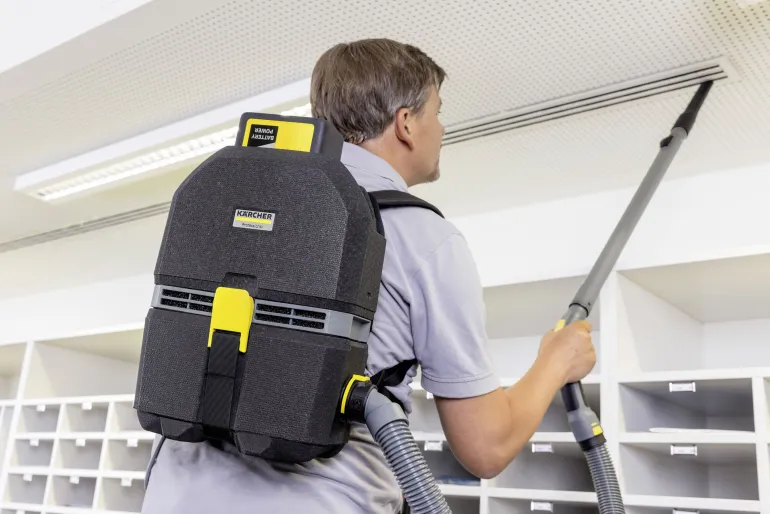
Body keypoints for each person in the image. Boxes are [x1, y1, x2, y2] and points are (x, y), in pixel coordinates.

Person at [140, 38, 596, 514]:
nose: (441, 128)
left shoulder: (223, 203)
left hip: (171, 497)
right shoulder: (424, 236)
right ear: (406, 123)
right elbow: (486, 446)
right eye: (437, 112)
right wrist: (556, 361)